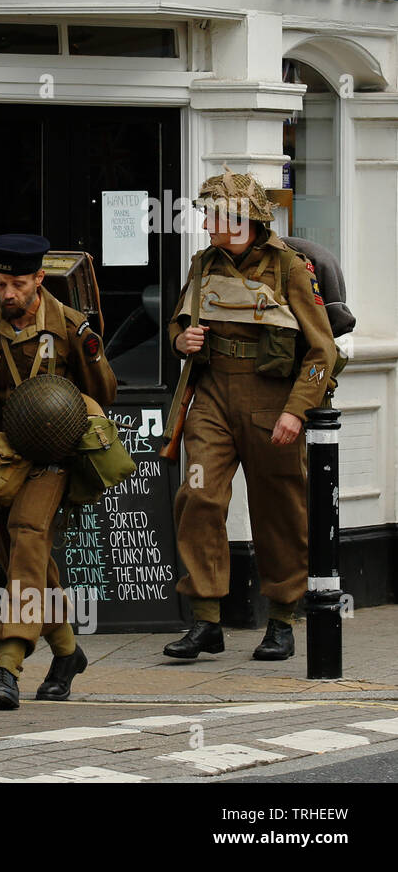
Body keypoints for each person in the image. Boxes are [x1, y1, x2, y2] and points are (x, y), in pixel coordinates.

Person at [165, 167, 335, 662]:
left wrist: (297, 411)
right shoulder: (204, 263)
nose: (208, 223)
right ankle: (206, 619)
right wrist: (183, 340)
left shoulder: (290, 268)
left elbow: (321, 350)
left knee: (278, 510)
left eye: (217, 215)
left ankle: (281, 619)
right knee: (197, 495)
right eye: (209, 214)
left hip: (271, 402)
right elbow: (182, 320)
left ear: (246, 219)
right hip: (213, 395)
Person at [0, 234, 116, 709]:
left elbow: (105, 393)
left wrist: (91, 351)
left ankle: (7, 665)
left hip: (53, 456)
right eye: (1, 283)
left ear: (39, 280)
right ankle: (67, 652)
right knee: (22, 561)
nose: (8, 293)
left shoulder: (71, 327)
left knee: (27, 534)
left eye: (18, 284)